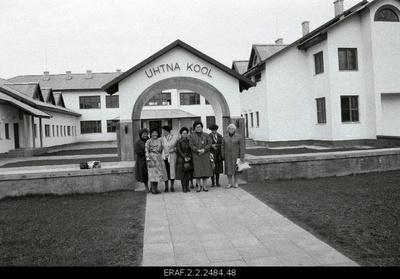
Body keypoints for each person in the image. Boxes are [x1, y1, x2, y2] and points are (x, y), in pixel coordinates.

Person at [189, 121, 213, 192]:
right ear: (195, 128)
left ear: (202, 127)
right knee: (198, 171)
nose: (199, 128)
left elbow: (210, 143)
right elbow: (191, 145)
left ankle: (205, 186)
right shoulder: (192, 136)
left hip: (205, 155)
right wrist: (197, 150)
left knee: (205, 171)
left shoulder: (206, 135)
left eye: (200, 127)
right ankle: (199, 186)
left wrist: (204, 149)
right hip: (196, 155)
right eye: (197, 127)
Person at [221, 123, 245, 188]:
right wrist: (222, 154)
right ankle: (229, 183)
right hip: (227, 156)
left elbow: (242, 147)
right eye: (230, 129)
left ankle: (236, 182)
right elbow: (222, 146)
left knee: (236, 169)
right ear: (228, 129)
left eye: (232, 128)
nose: (231, 130)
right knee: (228, 169)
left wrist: (242, 156)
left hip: (236, 155)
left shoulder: (239, 136)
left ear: (234, 129)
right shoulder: (224, 137)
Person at [145, 129, 168, 194]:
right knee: (152, 174)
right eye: (153, 133)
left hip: (159, 158)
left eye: (155, 133)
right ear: (151, 134)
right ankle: (153, 189)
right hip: (151, 158)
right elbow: (146, 150)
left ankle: (156, 189)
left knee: (158, 174)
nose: (154, 134)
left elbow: (163, 149)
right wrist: (148, 159)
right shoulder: (148, 141)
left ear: (158, 134)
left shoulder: (160, 140)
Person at [161, 125, 178, 192]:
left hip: (172, 156)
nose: (164, 132)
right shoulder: (161, 139)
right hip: (164, 157)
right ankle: (166, 187)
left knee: (172, 171)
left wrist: (174, 149)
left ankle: (172, 186)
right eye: (163, 131)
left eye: (165, 130)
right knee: (166, 171)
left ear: (168, 131)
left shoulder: (175, 138)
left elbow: (178, 146)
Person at [176, 127, 192, 193]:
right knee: (182, 174)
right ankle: (183, 187)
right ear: (181, 134)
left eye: (186, 133)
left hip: (188, 158)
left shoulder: (189, 141)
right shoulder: (179, 141)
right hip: (181, 159)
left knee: (188, 173)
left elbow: (191, 149)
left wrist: (189, 156)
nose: (185, 134)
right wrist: (184, 157)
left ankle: (187, 186)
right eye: (183, 133)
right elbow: (178, 150)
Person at [134, 128, 150, 193]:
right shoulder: (137, 142)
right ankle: (146, 186)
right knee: (144, 174)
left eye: (146, 134)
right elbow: (138, 151)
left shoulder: (150, 141)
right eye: (143, 134)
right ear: (140, 135)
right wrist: (146, 153)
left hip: (151, 159)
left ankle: (153, 187)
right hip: (142, 160)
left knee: (152, 173)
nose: (145, 135)